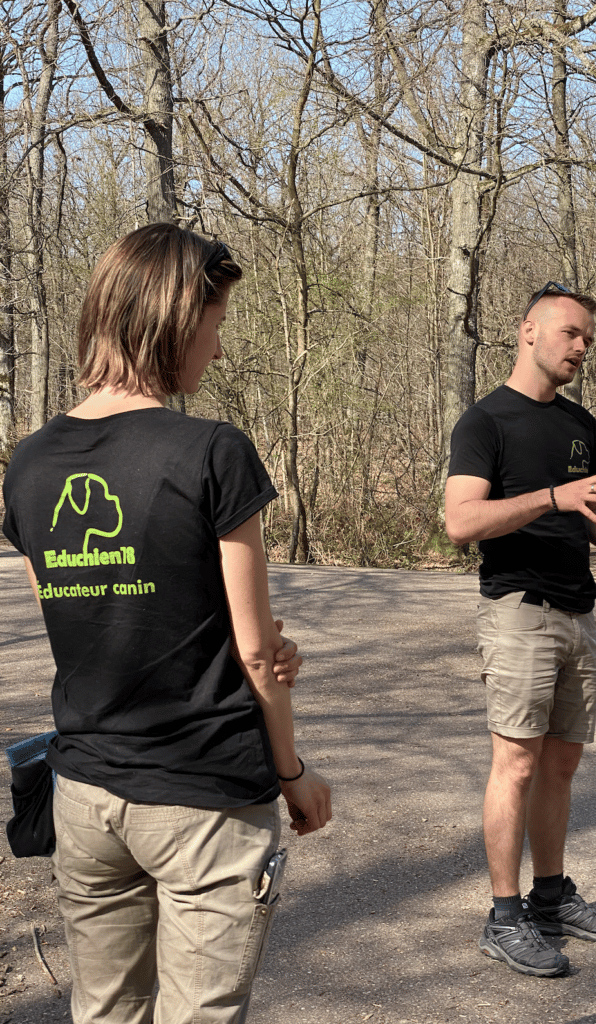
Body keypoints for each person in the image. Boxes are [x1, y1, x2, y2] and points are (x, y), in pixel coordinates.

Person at [2, 223, 332, 1024]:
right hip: (204, 794)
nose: (216, 351)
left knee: (105, 1009)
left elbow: (93, 616)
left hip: (85, 793)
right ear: (176, 321)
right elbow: (257, 652)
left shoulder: (30, 462)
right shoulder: (212, 452)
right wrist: (293, 775)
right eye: (215, 326)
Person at [444, 281, 596, 979]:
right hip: (517, 609)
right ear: (528, 331)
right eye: (570, 334)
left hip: (578, 612)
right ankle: (504, 917)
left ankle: (550, 898)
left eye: (588, 338)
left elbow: (589, 513)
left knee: (560, 764)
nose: (581, 348)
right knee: (517, 764)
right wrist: (552, 497)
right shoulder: (484, 423)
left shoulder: (579, 425)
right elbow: (460, 522)